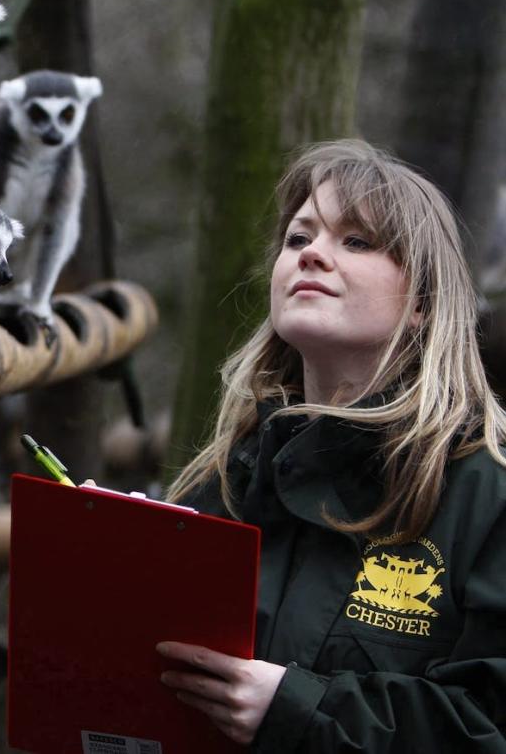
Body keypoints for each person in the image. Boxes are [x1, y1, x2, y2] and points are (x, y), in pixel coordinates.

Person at [158, 139, 506, 751]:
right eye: (298, 238)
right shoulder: (222, 481)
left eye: (357, 241)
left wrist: (296, 711)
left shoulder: (487, 490)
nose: (312, 255)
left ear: (422, 301)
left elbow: (490, 725)